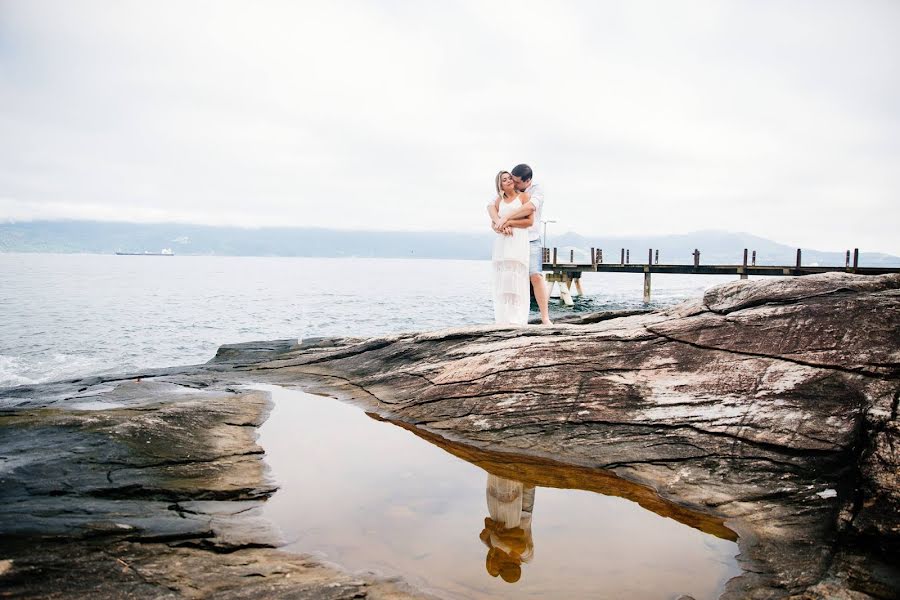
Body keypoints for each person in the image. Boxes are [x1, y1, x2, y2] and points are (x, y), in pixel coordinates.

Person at [490, 164, 552, 325]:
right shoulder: (505, 195)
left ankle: (545, 317)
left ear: (528, 181)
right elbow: (491, 206)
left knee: (535, 276)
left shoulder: (535, 191)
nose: (513, 183)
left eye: (516, 181)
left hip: (531, 238)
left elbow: (530, 209)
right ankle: (508, 317)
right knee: (509, 278)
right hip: (510, 241)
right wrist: (499, 223)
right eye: (510, 179)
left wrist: (507, 219)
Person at [488, 171, 532, 325]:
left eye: (509, 178)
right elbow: (494, 224)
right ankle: (503, 318)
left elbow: (529, 222)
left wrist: (508, 223)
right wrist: (500, 227)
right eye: (504, 180)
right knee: (503, 279)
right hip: (502, 242)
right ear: (500, 185)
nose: (508, 181)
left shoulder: (523, 197)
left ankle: (518, 319)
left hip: (518, 240)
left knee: (518, 278)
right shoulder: (499, 201)